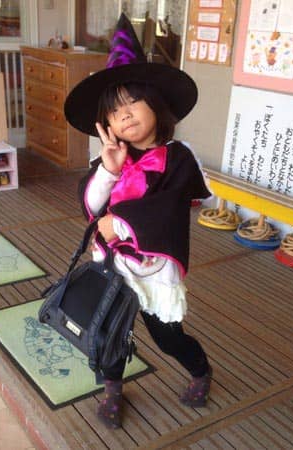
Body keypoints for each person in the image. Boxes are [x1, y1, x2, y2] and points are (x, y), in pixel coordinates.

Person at [64, 13, 212, 429]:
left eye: (132, 103)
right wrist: (109, 169)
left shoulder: (177, 157)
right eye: (114, 111)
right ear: (107, 124)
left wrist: (120, 224)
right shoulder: (113, 156)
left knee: (167, 336)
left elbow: (169, 206)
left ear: (155, 104)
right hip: (113, 266)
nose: (125, 115)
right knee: (108, 330)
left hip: (153, 268)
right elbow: (92, 205)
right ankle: (112, 389)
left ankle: (200, 370)